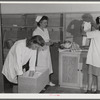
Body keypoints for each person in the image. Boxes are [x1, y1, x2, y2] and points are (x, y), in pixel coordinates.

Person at [32, 15, 55, 86]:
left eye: (46, 22)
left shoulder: (46, 30)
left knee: (48, 66)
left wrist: (51, 42)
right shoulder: (36, 32)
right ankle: (41, 84)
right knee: (41, 67)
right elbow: (35, 42)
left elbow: (48, 39)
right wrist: (46, 43)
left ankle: (48, 81)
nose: (46, 24)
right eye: (45, 23)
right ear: (40, 23)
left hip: (47, 51)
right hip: (40, 52)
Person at [82, 17, 100, 93]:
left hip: (94, 58)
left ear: (98, 24)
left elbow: (83, 33)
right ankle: (98, 90)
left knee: (90, 74)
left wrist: (82, 26)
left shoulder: (96, 33)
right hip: (97, 59)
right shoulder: (95, 32)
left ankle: (89, 90)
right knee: (98, 76)